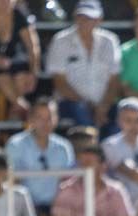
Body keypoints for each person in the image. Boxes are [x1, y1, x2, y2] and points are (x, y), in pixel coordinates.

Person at [6, 97, 74, 216]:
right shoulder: (16, 145)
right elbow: (13, 184)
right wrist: (37, 214)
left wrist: (56, 214)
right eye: (40, 118)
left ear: (56, 119)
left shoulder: (64, 147)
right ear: (30, 119)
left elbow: (69, 183)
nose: (45, 123)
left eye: (50, 117)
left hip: (58, 209)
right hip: (25, 209)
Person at [45, 0, 119, 128]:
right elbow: (59, 82)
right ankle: (91, 139)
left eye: (89, 18)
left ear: (99, 20)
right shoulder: (60, 41)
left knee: (124, 113)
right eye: (80, 17)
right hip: (70, 103)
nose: (84, 21)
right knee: (80, 110)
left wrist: (103, 106)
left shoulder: (110, 41)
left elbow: (114, 80)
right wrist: (89, 105)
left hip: (104, 103)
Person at [50, 143, 137, 216]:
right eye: (81, 163)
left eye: (88, 163)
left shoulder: (116, 191)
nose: (84, 168)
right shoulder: (67, 190)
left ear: (103, 167)